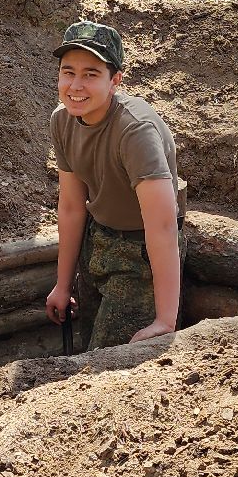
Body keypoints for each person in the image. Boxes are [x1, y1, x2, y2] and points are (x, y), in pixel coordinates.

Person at [44, 21, 184, 348]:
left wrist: (165, 320)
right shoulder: (62, 120)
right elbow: (71, 206)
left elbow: (162, 226)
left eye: (91, 74)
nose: (76, 85)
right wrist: (63, 286)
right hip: (98, 240)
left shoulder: (136, 131)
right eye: (68, 72)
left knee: (106, 364)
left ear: (114, 81)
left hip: (141, 255)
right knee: (89, 344)